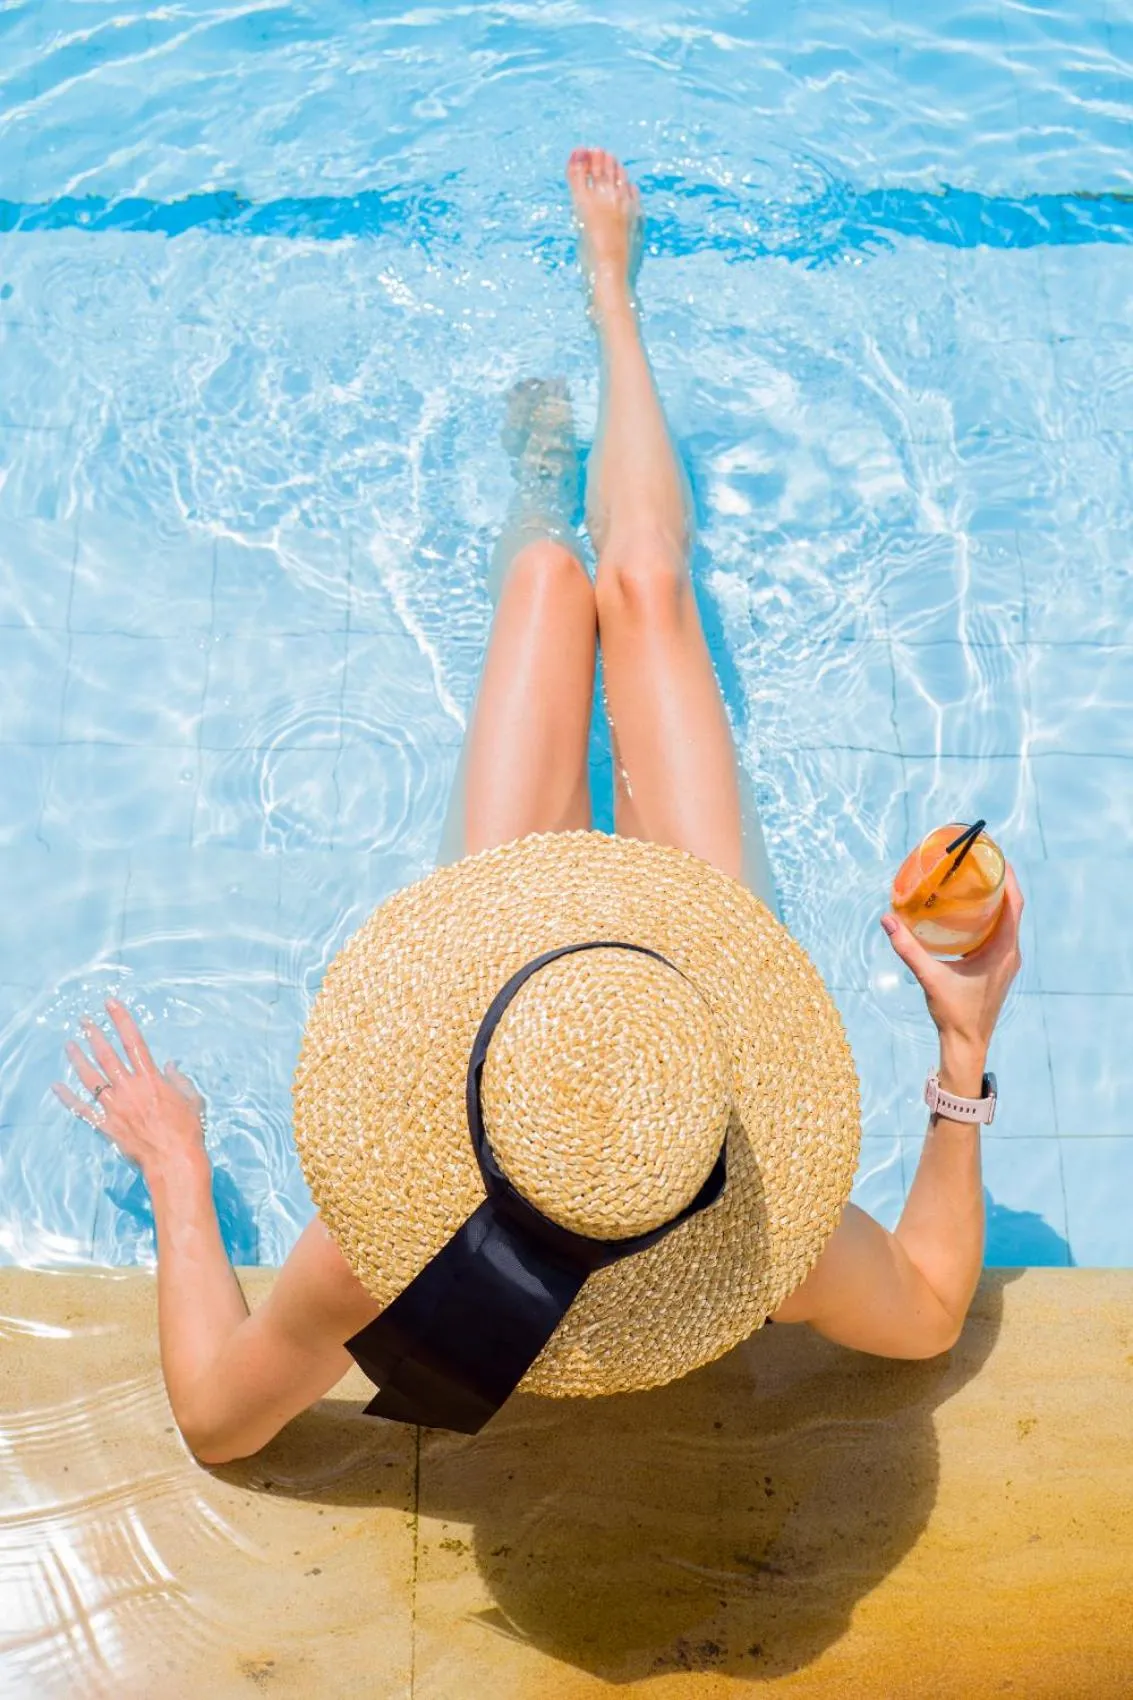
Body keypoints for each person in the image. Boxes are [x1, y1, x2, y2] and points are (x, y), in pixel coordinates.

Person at [55, 150, 1023, 1465]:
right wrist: (961, 1054)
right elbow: (922, 1313)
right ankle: (614, 304)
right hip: (673, 990)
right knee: (642, 582)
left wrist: (176, 1166)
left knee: (548, 587)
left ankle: (533, 475)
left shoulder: (380, 1253)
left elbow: (221, 1425)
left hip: (529, 989)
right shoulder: (764, 1239)